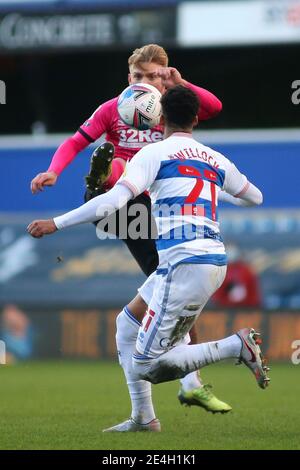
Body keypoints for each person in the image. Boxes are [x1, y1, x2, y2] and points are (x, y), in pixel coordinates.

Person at [27, 86, 270, 432]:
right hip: (205, 259)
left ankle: (235, 345)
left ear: (161, 119)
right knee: (125, 326)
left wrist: (57, 223)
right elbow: (255, 198)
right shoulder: (214, 159)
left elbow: (111, 204)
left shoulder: (152, 154)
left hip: (186, 263)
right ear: (197, 119)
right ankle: (144, 418)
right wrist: (208, 189)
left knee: (146, 365)